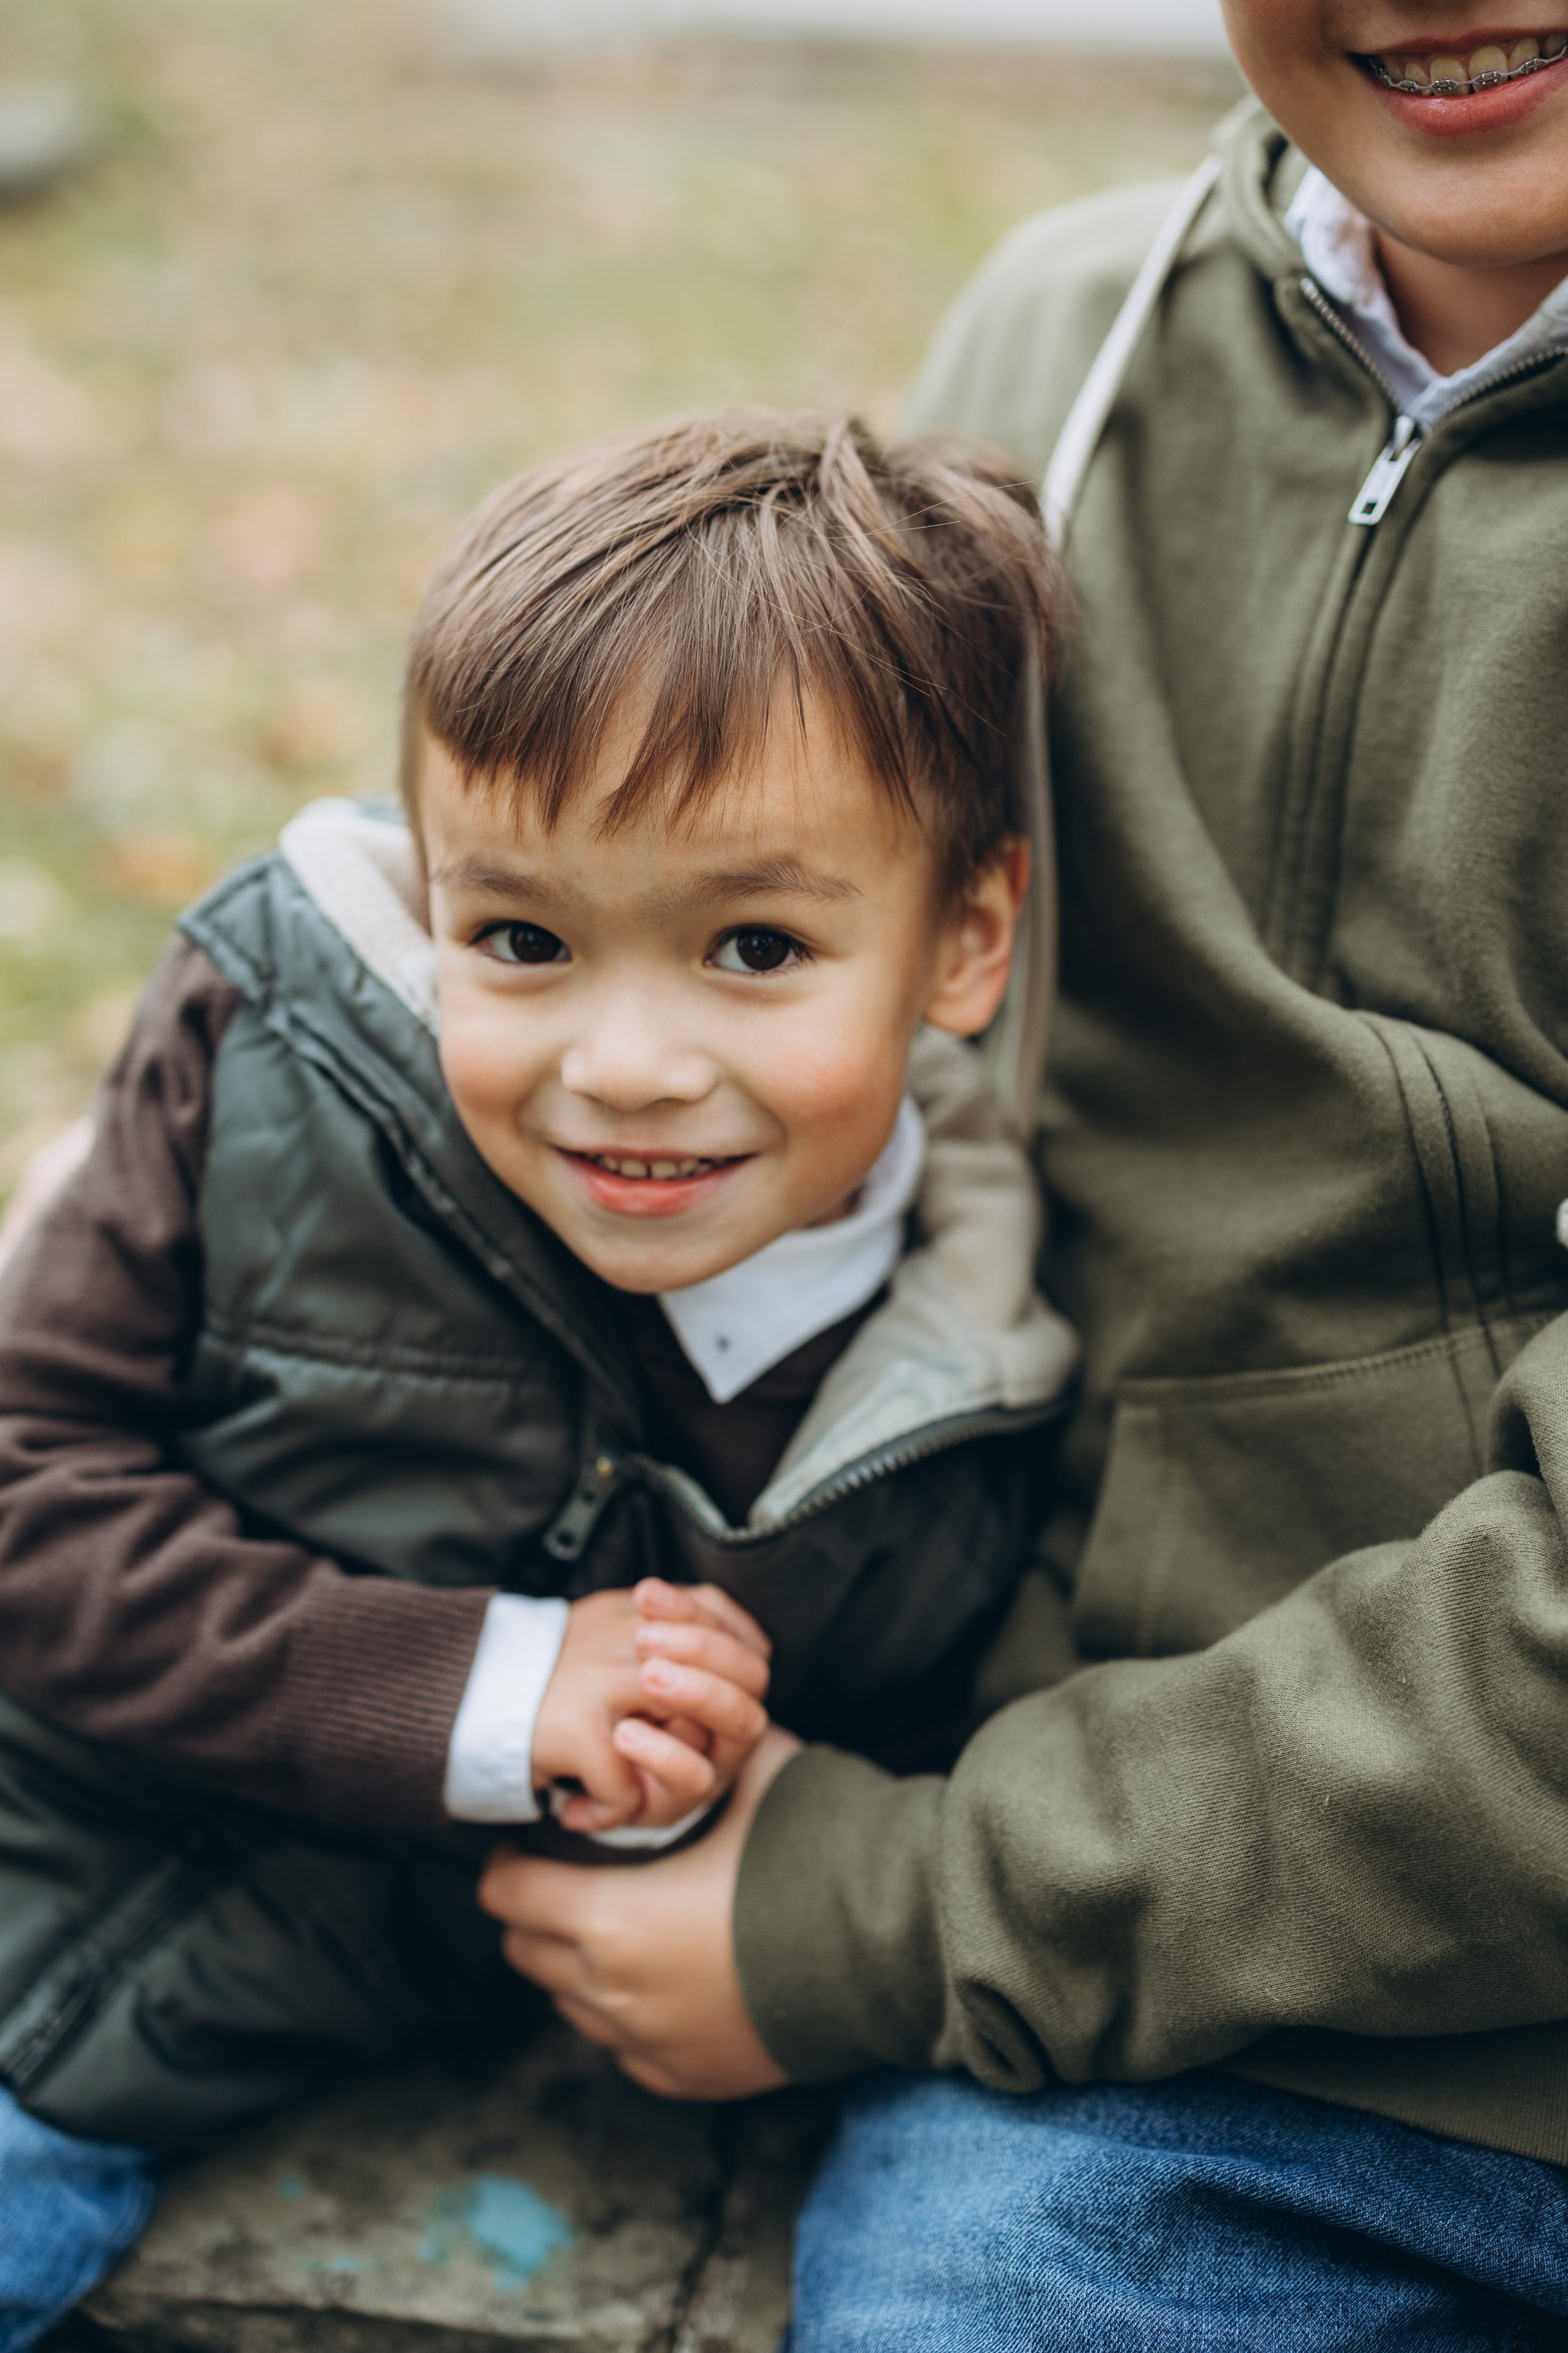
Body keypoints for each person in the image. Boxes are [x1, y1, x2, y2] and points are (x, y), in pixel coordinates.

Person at [474, 12, 1568, 2349]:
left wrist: (897, 1906)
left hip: (1095, 1906)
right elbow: (732, 975)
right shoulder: (1062, 354)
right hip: (1192, 2052)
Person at [0, 411, 1079, 2349]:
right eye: (520, 937)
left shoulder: (980, 1354)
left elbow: (933, 1722)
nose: (627, 1063)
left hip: (312, 2004)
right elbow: (25, 1484)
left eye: (755, 945)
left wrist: (738, 1830)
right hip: (40, 1927)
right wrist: (495, 1690)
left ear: (965, 939)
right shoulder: (277, 1055)